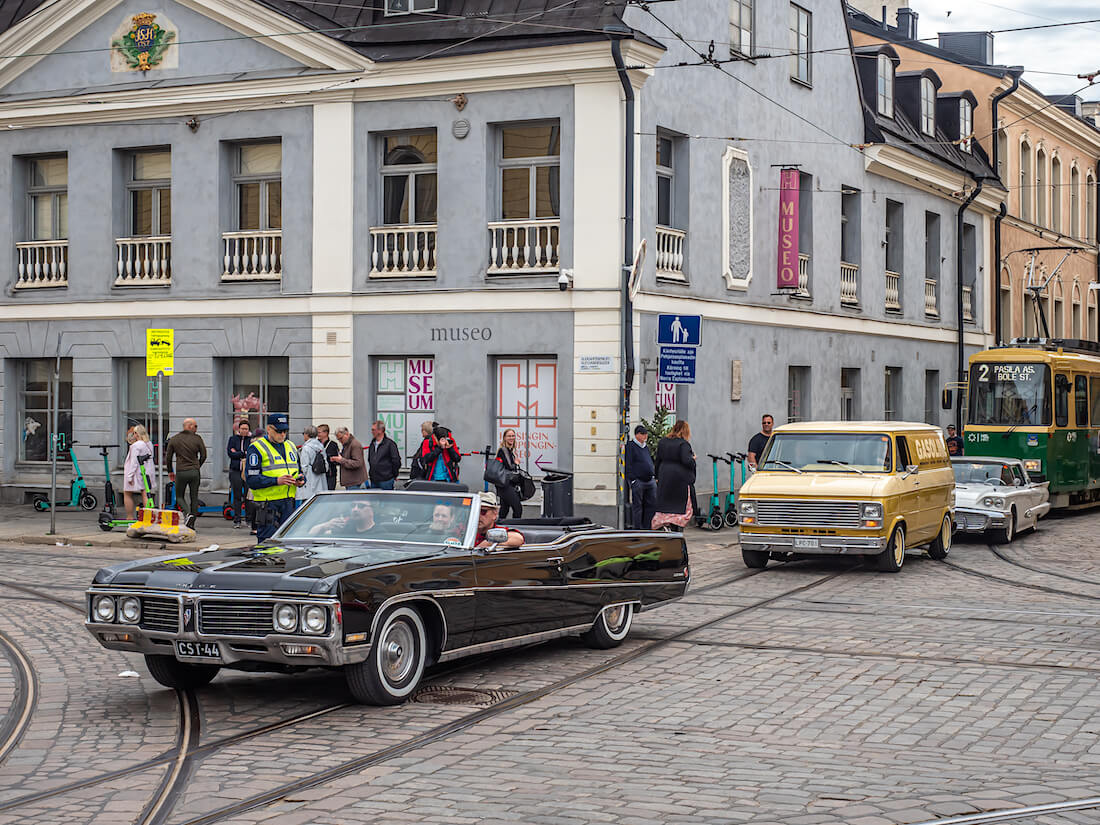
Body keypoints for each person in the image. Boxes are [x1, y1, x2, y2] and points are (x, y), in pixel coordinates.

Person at [245, 413, 305, 542]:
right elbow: (251, 480)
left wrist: (300, 479)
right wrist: (277, 481)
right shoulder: (257, 448)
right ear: (269, 429)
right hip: (268, 504)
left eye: (285, 431)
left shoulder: (291, 446)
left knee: (287, 541)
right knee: (268, 542)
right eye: (279, 431)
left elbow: (299, 470)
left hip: (288, 502)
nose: (282, 434)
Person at [652, 420, 696, 532]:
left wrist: (657, 476)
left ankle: (664, 524)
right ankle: (676, 527)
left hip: (664, 475)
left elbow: (658, 460)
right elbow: (686, 461)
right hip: (679, 478)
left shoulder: (663, 442)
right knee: (680, 505)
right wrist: (693, 459)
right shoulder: (683, 444)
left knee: (665, 503)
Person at [165, 418, 207, 530]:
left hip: (181, 471)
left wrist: (170, 471)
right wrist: (197, 465)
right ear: (189, 426)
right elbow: (204, 455)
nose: (196, 429)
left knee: (179, 496)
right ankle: (192, 523)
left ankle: (188, 514)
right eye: (195, 426)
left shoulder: (174, 439)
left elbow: (168, 457)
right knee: (194, 497)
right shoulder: (197, 439)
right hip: (194, 472)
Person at [626, 424, 657, 530]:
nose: (645, 436)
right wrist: (633, 479)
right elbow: (628, 463)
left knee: (651, 505)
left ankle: (647, 527)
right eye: (643, 434)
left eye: (646, 434)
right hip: (638, 481)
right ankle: (638, 528)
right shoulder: (631, 446)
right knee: (638, 506)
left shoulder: (645, 447)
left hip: (649, 480)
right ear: (637, 435)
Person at [122, 425, 155, 519]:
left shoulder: (136, 446)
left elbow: (134, 462)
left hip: (137, 473)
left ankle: (129, 517)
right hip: (147, 472)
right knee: (146, 493)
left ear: (136, 434)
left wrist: (129, 476)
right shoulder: (148, 444)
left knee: (127, 493)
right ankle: (148, 517)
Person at [226, 419, 252, 527]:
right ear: (239, 429)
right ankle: (237, 520)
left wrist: (238, 453)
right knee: (237, 496)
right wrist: (242, 453)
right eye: (242, 429)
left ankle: (249, 519)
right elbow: (230, 453)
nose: (244, 431)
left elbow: (251, 453)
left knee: (248, 497)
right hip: (235, 471)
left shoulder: (251, 440)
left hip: (247, 472)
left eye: (246, 429)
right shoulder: (233, 439)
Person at [309, 499, 381, 538]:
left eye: (361, 506)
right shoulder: (346, 528)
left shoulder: (380, 533)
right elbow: (310, 536)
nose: (355, 509)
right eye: (353, 505)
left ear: (372, 510)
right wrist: (325, 526)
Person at [494, 428, 523, 519]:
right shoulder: (503, 450)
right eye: (509, 436)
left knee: (504, 509)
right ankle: (516, 527)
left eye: (513, 436)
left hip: (505, 483)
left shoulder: (509, 451)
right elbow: (510, 466)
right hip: (505, 484)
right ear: (504, 438)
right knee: (518, 508)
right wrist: (516, 463)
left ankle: (498, 526)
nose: (511, 438)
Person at [297, 425, 329, 505]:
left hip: (309, 483)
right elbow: (326, 466)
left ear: (307, 434)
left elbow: (304, 467)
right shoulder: (321, 446)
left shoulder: (306, 448)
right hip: (321, 481)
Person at [367, 420, 402, 490]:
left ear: (380, 430)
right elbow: (370, 459)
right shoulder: (372, 444)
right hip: (374, 479)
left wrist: (394, 474)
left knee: (386, 500)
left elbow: (396, 461)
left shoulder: (390, 444)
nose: (372, 432)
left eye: (373, 430)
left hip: (386, 480)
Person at [317, 424, 340, 490]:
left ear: (325, 433)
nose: (318, 434)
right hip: (319, 475)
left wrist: (331, 459)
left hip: (330, 476)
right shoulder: (316, 444)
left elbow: (337, 461)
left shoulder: (333, 445)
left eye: (319, 432)